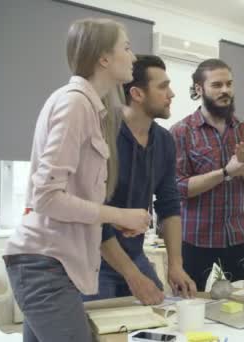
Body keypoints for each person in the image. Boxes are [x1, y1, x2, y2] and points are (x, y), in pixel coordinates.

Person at [3, 18, 149, 342]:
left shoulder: (88, 107)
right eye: (126, 47)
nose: (134, 57)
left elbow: (67, 196)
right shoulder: (74, 105)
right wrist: (118, 214)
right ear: (104, 58)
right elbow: (46, 197)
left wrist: (105, 220)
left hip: (50, 264)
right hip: (45, 265)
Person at [82, 55, 196, 305]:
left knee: (162, 317)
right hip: (94, 258)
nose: (172, 94)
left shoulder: (165, 140)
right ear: (137, 93)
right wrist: (133, 276)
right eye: (163, 86)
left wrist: (175, 265)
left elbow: (169, 204)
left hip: (135, 254)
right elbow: (93, 218)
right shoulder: (101, 132)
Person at [170, 59, 244, 291]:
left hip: (238, 237)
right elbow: (178, 188)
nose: (225, 90)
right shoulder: (181, 132)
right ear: (198, 89)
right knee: (188, 303)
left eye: (229, 84)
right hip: (194, 239)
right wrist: (226, 172)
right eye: (217, 85)